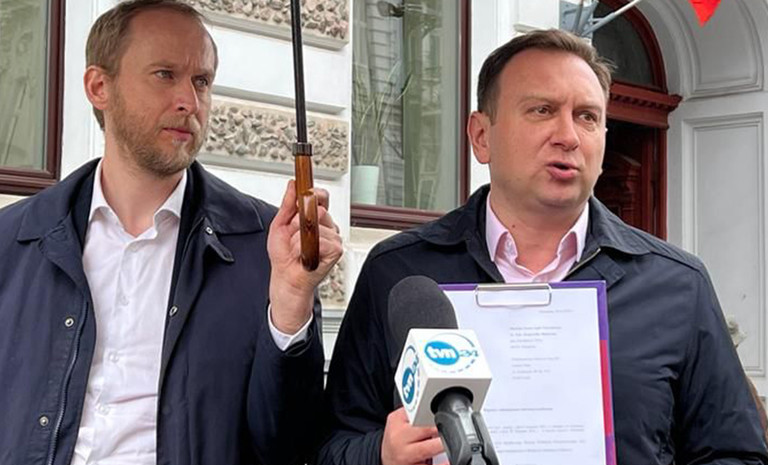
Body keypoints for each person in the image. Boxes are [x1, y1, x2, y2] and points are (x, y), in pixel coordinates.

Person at [318, 29, 768, 465]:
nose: (568, 136)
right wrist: (381, 454)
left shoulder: (677, 284)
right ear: (481, 136)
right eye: (542, 110)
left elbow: (736, 452)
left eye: (587, 116)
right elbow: (332, 446)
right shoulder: (400, 274)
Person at [0, 1, 342, 464]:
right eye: (165, 75)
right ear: (99, 87)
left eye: (201, 81)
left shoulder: (264, 245)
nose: (189, 102)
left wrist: (291, 300)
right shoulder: (16, 241)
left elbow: (287, 444)